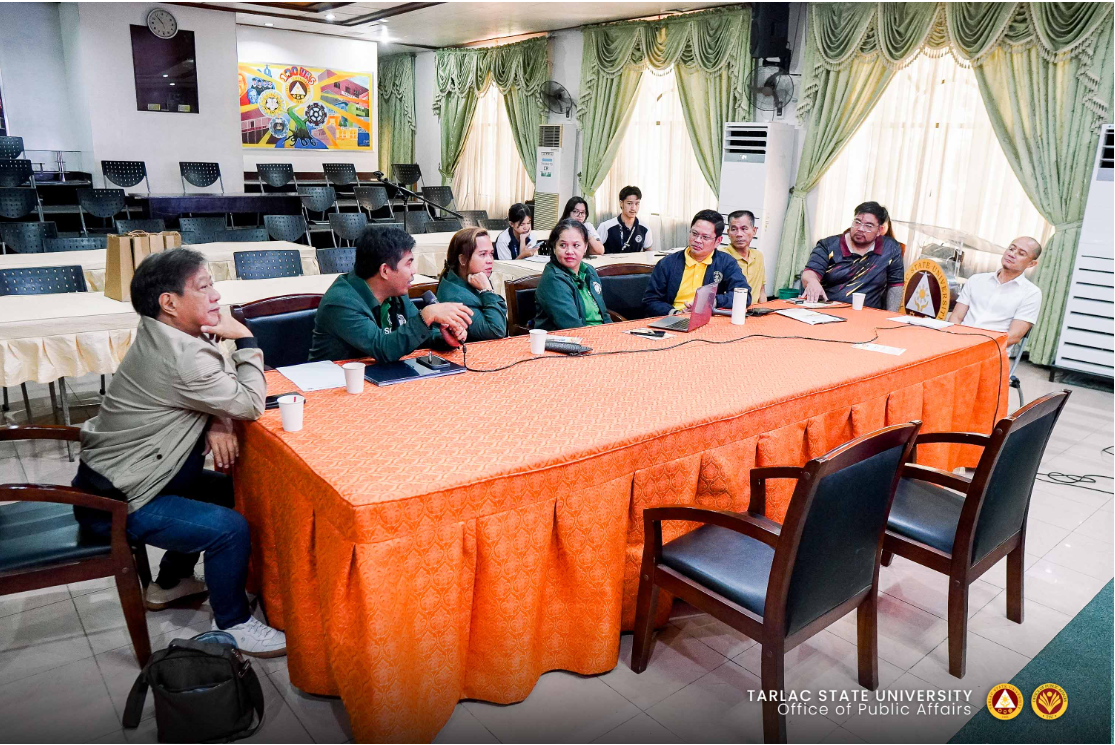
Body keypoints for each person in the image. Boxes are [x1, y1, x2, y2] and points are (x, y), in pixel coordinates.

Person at [71, 249, 285, 657]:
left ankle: (170, 582)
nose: (216, 296)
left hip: (140, 473)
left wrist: (216, 418)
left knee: (234, 493)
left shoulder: (165, 333)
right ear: (169, 302)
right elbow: (248, 403)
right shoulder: (181, 354)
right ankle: (234, 623)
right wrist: (246, 338)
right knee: (229, 528)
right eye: (204, 287)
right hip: (119, 498)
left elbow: (212, 385)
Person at [309, 226, 473, 362]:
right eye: (408, 264)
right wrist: (426, 315)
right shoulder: (341, 302)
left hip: (378, 377)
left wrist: (444, 339)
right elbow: (383, 348)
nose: (414, 270)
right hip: (333, 384)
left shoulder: (396, 292)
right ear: (385, 271)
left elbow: (417, 334)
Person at [643, 209, 750, 317]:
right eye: (694, 234)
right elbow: (650, 301)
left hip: (709, 320)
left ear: (718, 241)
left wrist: (712, 301)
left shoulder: (726, 262)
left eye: (705, 237)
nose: (697, 240)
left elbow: (744, 295)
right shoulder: (667, 263)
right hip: (673, 319)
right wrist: (675, 313)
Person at [801, 201, 904, 310]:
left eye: (868, 226)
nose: (860, 229)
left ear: (879, 230)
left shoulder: (890, 248)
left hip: (869, 315)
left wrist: (891, 315)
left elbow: (895, 286)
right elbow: (809, 273)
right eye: (857, 222)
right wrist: (812, 281)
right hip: (828, 311)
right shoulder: (828, 245)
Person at [949, 236, 1043, 348]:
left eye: (1021, 253)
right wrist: (955, 341)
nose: (1012, 254)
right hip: (958, 344)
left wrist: (976, 347)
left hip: (991, 350)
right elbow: (956, 317)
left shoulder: (1031, 293)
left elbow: (1014, 336)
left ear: (1031, 264)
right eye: (1011, 249)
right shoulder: (976, 280)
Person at [533, 218, 611, 331]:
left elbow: (604, 314)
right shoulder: (553, 279)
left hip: (599, 334)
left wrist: (613, 333)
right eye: (563, 245)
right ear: (554, 248)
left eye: (576, 245)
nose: (569, 251)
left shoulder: (589, 270)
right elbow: (572, 326)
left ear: (585, 247)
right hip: (571, 338)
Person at [435, 227, 508, 341]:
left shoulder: (474, 280)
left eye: (491, 254)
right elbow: (496, 331)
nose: (490, 260)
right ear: (463, 259)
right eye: (482, 254)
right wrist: (487, 291)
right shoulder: (456, 297)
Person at [722, 210, 766, 301]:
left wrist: (763, 308)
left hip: (755, 309)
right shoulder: (722, 257)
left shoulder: (758, 256)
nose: (739, 234)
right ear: (728, 232)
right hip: (730, 308)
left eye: (744, 229)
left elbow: (761, 291)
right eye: (734, 229)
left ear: (754, 231)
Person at [598, 185, 653, 253]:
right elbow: (595, 252)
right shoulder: (606, 226)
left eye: (637, 204)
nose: (633, 208)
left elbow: (648, 252)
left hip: (635, 260)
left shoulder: (645, 228)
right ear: (621, 203)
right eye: (629, 203)